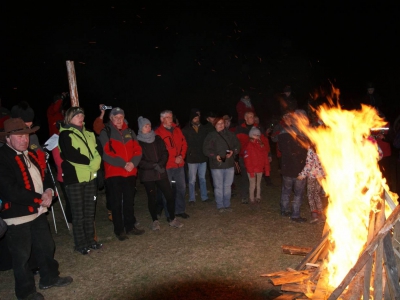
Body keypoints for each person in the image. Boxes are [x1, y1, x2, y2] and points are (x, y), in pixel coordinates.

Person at [0, 118, 73, 300]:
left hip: (38, 212)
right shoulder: (2, 158)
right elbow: (10, 190)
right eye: (20, 136)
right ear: (8, 138)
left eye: (26, 135)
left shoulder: (30, 153)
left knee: (46, 247)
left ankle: (49, 277)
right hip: (17, 216)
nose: (25, 140)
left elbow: (44, 174)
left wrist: (49, 190)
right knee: (22, 257)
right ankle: (26, 293)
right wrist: (39, 199)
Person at [58, 107, 102, 254]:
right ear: (69, 118)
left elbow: (96, 151)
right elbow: (71, 155)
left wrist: (96, 162)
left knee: (89, 212)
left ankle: (91, 240)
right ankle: (80, 244)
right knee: (78, 214)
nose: (81, 117)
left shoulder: (89, 133)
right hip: (75, 179)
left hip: (90, 177)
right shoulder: (65, 134)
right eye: (77, 115)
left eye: (82, 115)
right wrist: (91, 163)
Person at [99, 107, 145, 241]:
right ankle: (119, 230)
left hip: (130, 172)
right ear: (111, 119)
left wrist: (132, 163)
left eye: (121, 117)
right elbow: (107, 153)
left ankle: (130, 226)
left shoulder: (130, 132)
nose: (119, 120)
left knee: (129, 201)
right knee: (116, 202)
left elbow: (138, 150)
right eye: (116, 117)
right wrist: (123, 163)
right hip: (114, 172)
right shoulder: (106, 132)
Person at [137, 116, 183, 229]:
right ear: (141, 128)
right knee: (151, 197)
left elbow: (164, 152)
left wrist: (160, 164)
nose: (148, 128)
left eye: (149, 125)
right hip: (148, 175)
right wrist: (153, 165)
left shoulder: (157, 138)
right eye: (145, 126)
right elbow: (139, 159)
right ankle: (155, 220)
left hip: (160, 172)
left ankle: (172, 218)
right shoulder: (138, 142)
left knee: (169, 195)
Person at [272, 111, 308, 222]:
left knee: (286, 190)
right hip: (297, 168)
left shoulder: (284, 131)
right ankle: (295, 215)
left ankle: (284, 209)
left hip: (287, 167)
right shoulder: (301, 135)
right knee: (298, 192)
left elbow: (282, 148)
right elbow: (302, 152)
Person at [155, 110, 189, 219]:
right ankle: (169, 213)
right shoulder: (158, 133)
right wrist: (172, 159)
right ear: (162, 119)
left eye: (171, 117)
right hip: (167, 166)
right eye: (168, 117)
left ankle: (180, 210)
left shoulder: (177, 130)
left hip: (179, 165)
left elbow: (184, 144)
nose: (171, 120)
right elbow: (159, 151)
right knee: (167, 190)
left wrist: (181, 157)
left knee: (181, 188)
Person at [203, 117, 241, 212]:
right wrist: (215, 156)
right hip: (217, 165)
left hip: (229, 164)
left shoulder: (230, 134)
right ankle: (220, 205)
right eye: (218, 124)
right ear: (214, 125)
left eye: (222, 123)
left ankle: (227, 204)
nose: (221, 125)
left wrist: (233, 152)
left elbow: (237, 145)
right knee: (219, 186)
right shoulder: (211, 136)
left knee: (227, 185)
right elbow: (206, 150)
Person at [235, 111, 271, 203]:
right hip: (244, 156)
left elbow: (265, 142)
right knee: (245, 177)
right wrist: (236, 154)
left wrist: (268, 154)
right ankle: (245, 196)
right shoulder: (240, 129)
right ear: (245, 118)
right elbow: (236, 142)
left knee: (257, 179)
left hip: (257, 158)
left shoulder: (258, 128)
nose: (252, 118)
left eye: (252, 116)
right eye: (250, 116)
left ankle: (257, 195)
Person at [182, 110, 210, 203]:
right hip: (192, 158)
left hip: (202, 157)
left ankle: (204, 196)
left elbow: (206, 142)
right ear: (191, 119)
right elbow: (184, 143)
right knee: (192, 180)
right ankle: (192, 198)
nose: (197, 119)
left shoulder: (203, 128)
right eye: (195, 118)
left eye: (197, 118)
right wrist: (188, 153)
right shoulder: (186, 130)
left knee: (202, 178)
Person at [297, 146, 325, 223]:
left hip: (312, 175)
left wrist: (302, 174)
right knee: (317, 194)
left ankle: (315, 215)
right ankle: (321, 214)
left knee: (310, 194)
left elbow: (309, 164)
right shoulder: (323, 146)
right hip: (320, 175)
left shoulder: (311, 149)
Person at [243, 127, 270, 205]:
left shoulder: (261, 145)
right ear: (251, 135)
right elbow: (247, 160)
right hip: (252, 169)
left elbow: (265, 157)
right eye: (255, 135)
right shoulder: (249, 145)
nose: (257, 137)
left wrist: (267, 169)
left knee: (258, 183)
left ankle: (258, 196)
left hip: (259, 168)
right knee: (252, 184)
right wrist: (251, 170)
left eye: (258, 135)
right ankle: (251, 198)